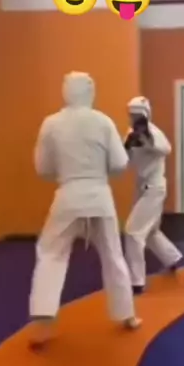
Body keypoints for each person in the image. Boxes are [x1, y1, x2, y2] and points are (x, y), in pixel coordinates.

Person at [28, 72, 141, 347]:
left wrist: (66, 173)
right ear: (90, 92)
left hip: (68, 196)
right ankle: (127, 315)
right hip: (99, 195)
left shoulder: (51, 124)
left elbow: (42, 167)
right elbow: (119, 163)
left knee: (51, 253)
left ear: (65, 91)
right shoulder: (102, 121)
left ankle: (43, 321)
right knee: (113, 255)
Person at [124, 97, 183, 293]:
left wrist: (147, 139)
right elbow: (126, 161)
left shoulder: (154, 132)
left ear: (146, 114)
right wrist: (128, 145)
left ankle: (136, 281)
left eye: (138, 114)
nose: (134, 118)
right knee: (150, 231)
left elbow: (166, 149)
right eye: (131, 114)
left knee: (133, 232)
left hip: (154, 187)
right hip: (141, 186)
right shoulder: (131, 133)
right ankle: (172, 257)